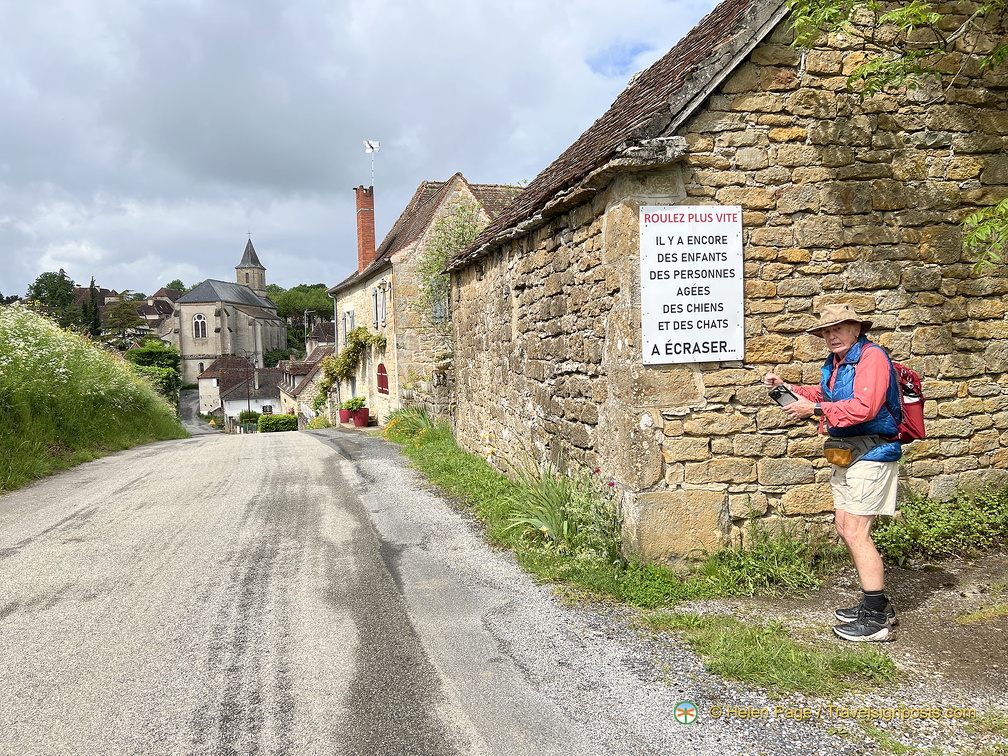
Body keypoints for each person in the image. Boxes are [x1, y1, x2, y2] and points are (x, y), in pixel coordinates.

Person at [764, 303, 902, 642]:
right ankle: (877, 605)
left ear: (856, 329)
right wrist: (790, 389)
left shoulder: (873, 358)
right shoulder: (838, 363)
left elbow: (864, 407)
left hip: (873, 452)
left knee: (856, 531)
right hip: (848, 455)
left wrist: (812, 408)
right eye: (826, 331)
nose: (831, 336)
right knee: (844, 527)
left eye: (838, 328)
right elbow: (825, 396)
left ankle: (876, 622)